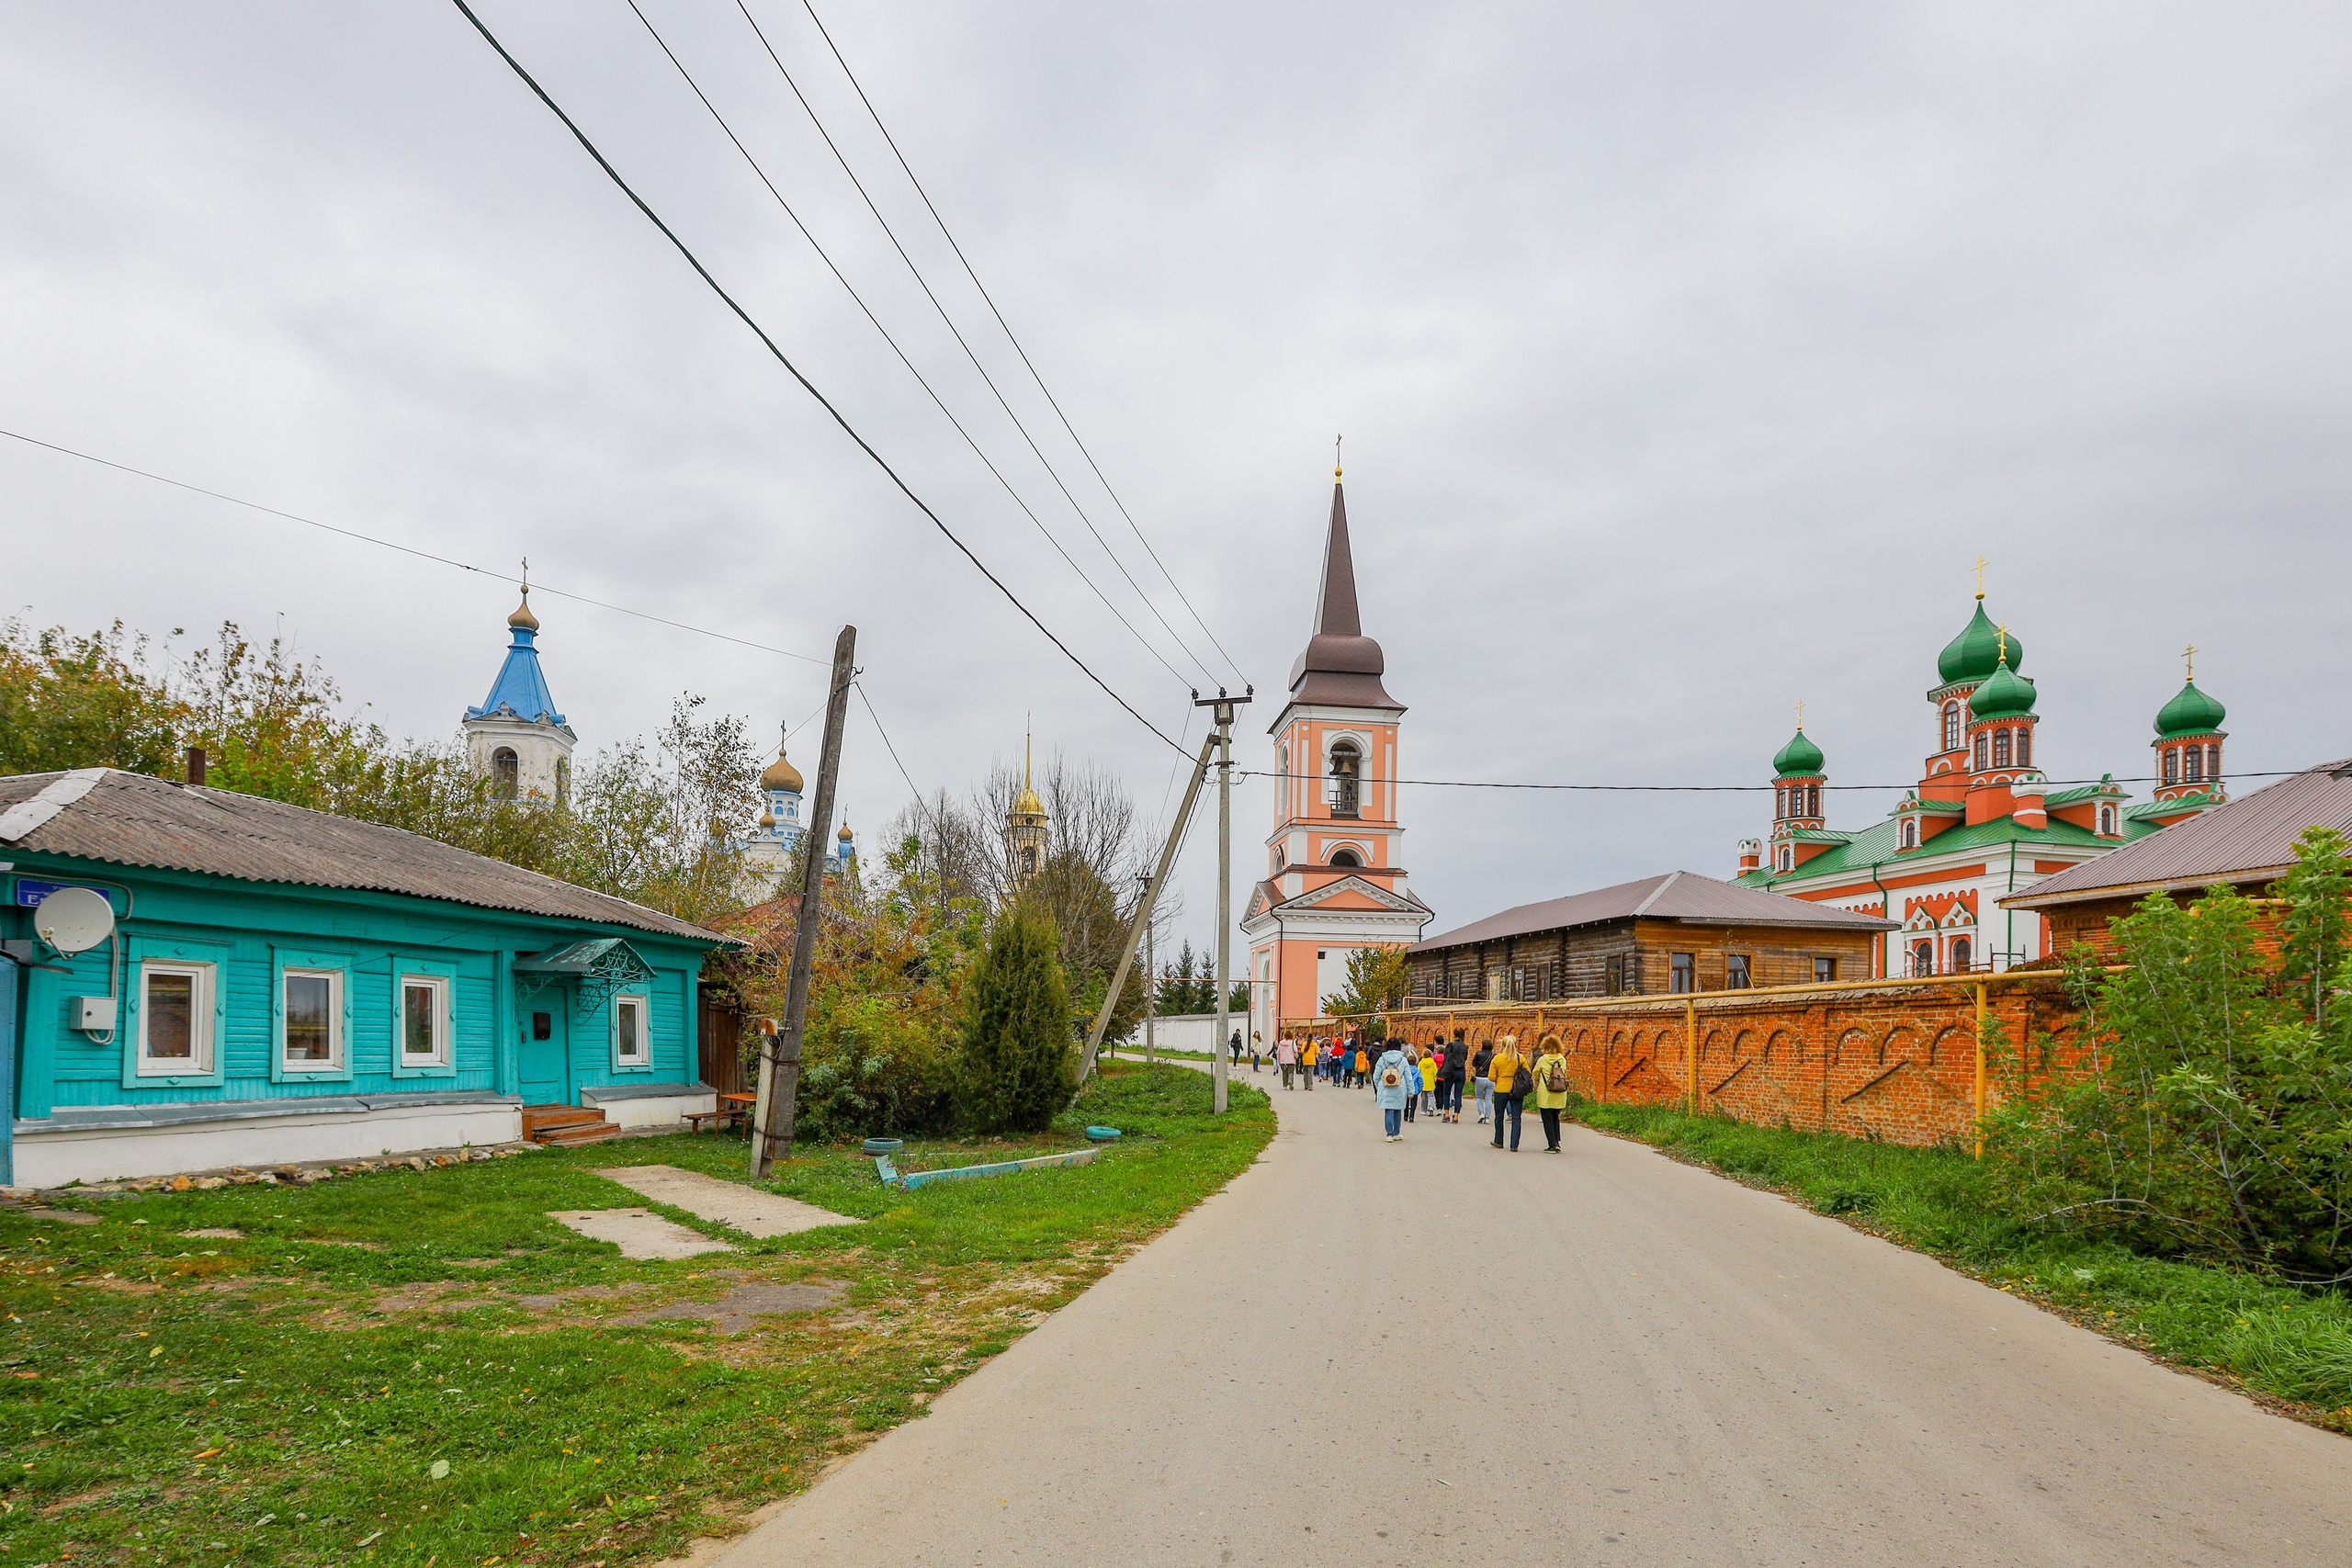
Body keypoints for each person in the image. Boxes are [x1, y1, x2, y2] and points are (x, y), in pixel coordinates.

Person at [1487, 1033, 1528, 1152]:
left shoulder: (1497, 1058)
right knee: (1516, 1117)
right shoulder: (1520, 1058)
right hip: (1517, 1089)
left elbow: (1491, 1077)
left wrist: (1501, 1079)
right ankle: (1514, 1145)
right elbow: (1527, 1073)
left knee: (1499, 1116)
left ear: (1502, 1045)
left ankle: (1498, 1141)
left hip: (1501, 1089)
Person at [1532, 1032, 1571, 1152]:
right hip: (1559, 1092)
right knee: (1555, 1117)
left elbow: (1535, 1073)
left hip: (1546, 1092)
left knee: (1547, 1118)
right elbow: (1564, 1073)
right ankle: (1557, 1142)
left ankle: (1552, 1144)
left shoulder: (1543, 1059)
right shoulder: (1562, 1059)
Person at [1373, 1037, 1415, 1142]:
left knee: (1388, 1110)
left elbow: (1376, 1076)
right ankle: (1396, 1132)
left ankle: (1389, 1134)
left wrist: (1379, 1087)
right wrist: (1411, 1091)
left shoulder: (1382, 1059)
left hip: (1386, 1088)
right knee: (1397, 1110)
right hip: (1400, 1087)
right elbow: (1409, 1077)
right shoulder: (1403, 1060)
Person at [1436, 1033, 1465, 1122]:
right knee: (1458, 1094)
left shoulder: (1450, 1045)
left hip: (1450, 1071)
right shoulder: (1465, 1046)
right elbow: (1465, 1058)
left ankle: (1447, 1114)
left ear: (1454, 1035)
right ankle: (1456, 1116)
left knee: (1446, 1093)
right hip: (1461, 1071)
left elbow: (1445, 1056)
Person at [1471, 1037, 1495, 1125]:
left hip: (1480, 1078)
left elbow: (1473, 1064)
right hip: (1490, 1078)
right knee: (1488, 1098)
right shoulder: (1494, 1055)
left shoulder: (1478, 1054)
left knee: (1479, 1097)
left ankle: (1481, 1114)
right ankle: (1487, 1117)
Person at [1418, 1044, 1439, 1117]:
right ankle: (1431, 1107)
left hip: (1423, 1081)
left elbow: (1418, 1072)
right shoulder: (1433, 1063)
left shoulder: (1421, 1063)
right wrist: (1434, 1079)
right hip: (1430, 1081)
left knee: (1424, 1097)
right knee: (1431, 1096)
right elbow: (1435, 1072)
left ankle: (1424, 1110)